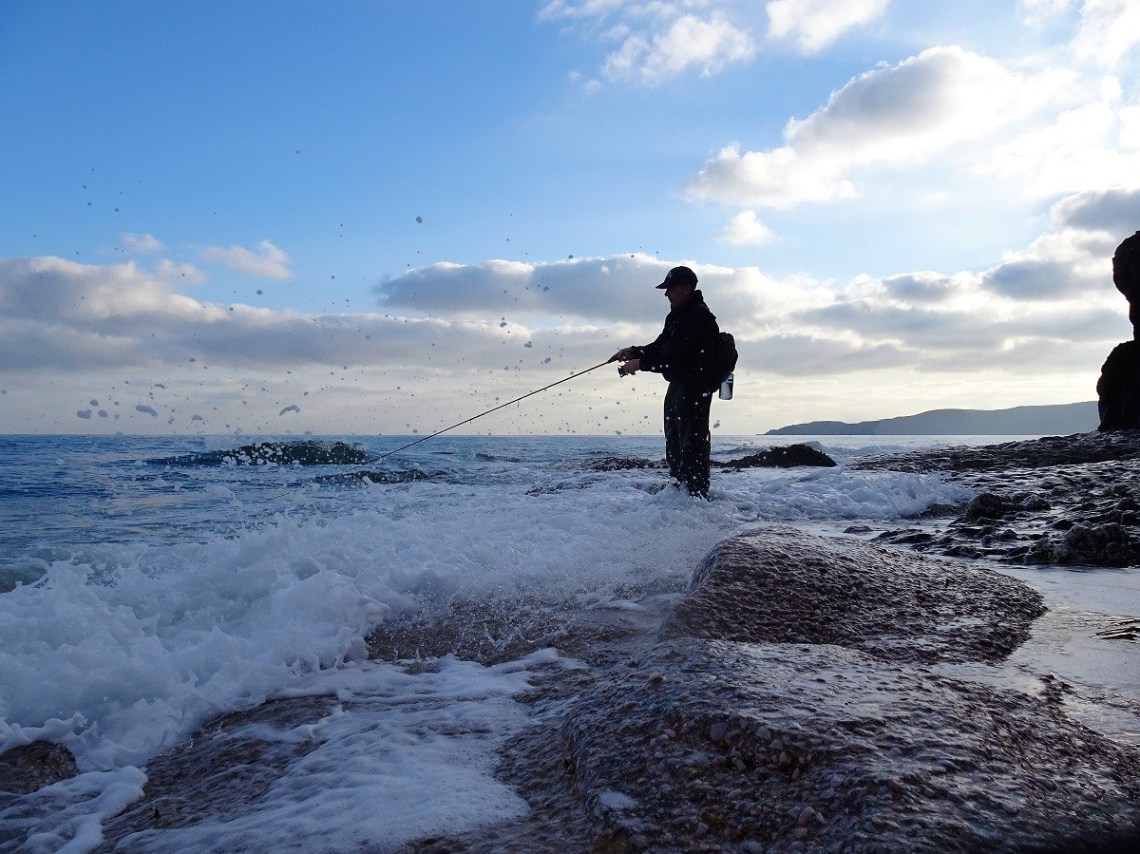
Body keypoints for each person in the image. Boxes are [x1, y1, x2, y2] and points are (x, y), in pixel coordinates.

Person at [611, 265, 720, 498]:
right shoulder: (676, 316)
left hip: (694, 389)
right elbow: (661, 347)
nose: (666, 293)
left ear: (687, 289)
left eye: (670, 288)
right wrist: (633, 351)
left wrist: (641, 364)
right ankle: (681, 496)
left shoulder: (700, 317)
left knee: (692, 446)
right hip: (678, 388)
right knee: (674, 445)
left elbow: (680, 359)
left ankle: (697, 500)